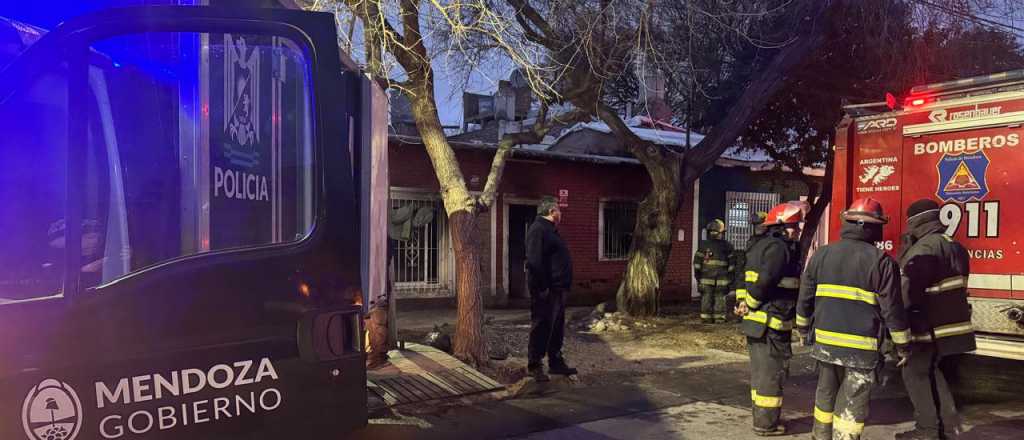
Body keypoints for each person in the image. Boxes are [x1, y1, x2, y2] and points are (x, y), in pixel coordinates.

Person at [797, 197, 911, 440]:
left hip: (826, 343)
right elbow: (892, 309)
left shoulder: (822, 254)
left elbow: (805, 297)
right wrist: (903, 345)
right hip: (861, 348)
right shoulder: (881, 262)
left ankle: (820, 436)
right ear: (869, 226)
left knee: (825, 393)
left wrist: (802, 328)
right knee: (853, 400)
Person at [895, 199, 974, 440]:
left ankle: (927, 431)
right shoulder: (955, 245)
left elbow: (908, 292)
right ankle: (947, 428)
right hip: (951, 325)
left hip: (928, 325)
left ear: (914, 222)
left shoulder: (924, 249)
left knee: (915, 373)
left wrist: (899, 325)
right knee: (931, 372)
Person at [736, 203, 803, 436]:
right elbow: (765, 280)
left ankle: (761, 418)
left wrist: (743, 304)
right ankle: (766, 425)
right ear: (781, 227)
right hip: (771, 323)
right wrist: (751, 303)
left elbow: (745, 278)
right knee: (771, 375)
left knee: (761, 372)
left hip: (757, 323)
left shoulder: (758, 246)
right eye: (794, 226)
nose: (798, 230)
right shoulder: (779, 248)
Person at [525, 196, 576, 382]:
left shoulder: (550, 230)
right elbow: (534, 261)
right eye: (559, 210)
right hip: (547, 289)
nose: (560, 214)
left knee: (556, 327)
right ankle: (534, 365)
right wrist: (543, 287)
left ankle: (555, 362)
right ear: (551, 212)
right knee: (541, 325)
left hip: (558, 289)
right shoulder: (538, 229)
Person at [694, 219, 735, 324]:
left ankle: (706, 318)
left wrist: (698, 277)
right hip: (722, 279)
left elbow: (697, 264)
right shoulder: (727, 246)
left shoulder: (703, 245)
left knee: (706, 298)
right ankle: (719, 318)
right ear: (720, 233)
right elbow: (732, 264)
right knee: (720, 298)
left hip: (705, 279)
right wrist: (730, 278)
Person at [734, 211, 768, 311]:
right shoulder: (751, 242)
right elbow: (742, 270)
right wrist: (740, 298)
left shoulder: (771, 244)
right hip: (750, 285)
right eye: (756, 225)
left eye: (761, 224)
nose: (758, 227)